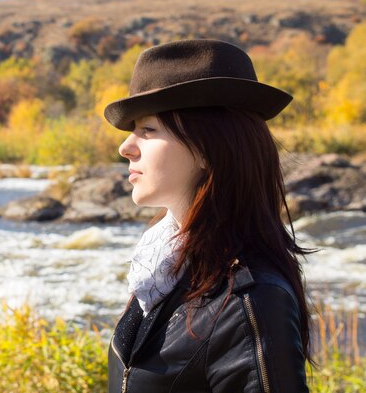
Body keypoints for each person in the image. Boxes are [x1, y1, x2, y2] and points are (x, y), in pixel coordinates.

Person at [102, 39, 318, 393]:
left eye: (147, 130)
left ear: (207, 148)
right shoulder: (161, 271)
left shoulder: (253, 302)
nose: (125, 147)